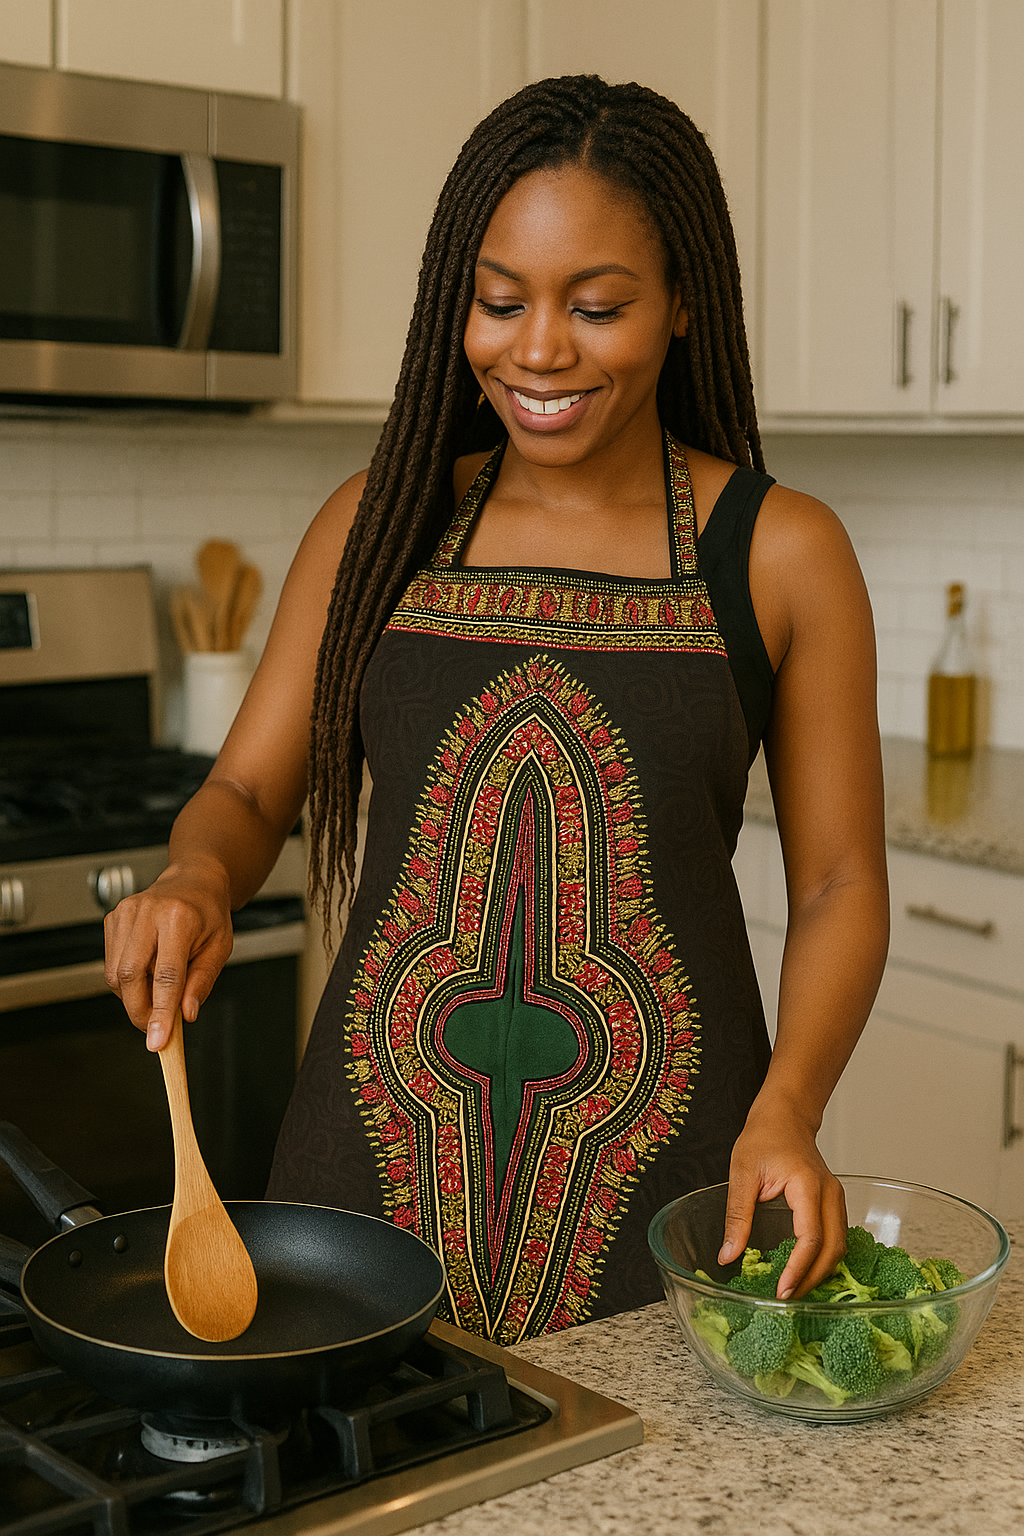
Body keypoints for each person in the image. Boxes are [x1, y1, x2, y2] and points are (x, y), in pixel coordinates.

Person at [104, 76, 888, 1344]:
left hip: (676, 1188)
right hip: (361, 1184)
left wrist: (790, 1106)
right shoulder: (378, 524)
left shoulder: (780, 552)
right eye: (500, 301)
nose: (538, 351)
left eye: (597, 307)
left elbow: (841, 882)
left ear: (683, 302)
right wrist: (196, 877)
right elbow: (245, 792)